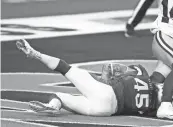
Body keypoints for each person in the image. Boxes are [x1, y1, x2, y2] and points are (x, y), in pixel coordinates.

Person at [16, 39, 163, 117]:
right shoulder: (152, 109)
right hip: (106, 111)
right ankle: (54, 106)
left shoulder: (141, 73)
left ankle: (35, 54)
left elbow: (110, 68)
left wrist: (104, 81)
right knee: (62, 97)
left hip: (107, 92)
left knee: (64, 68)